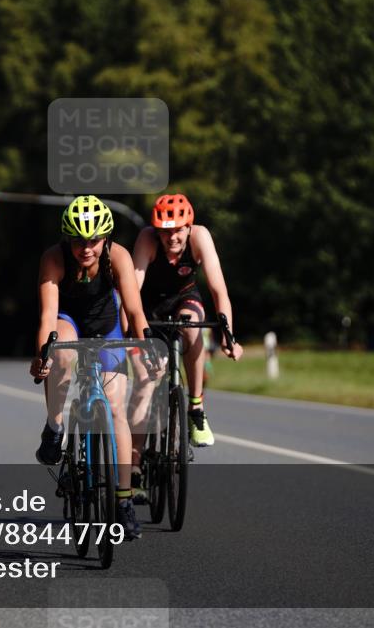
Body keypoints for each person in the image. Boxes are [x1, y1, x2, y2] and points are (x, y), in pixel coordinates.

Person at [29, 195, 151, 539]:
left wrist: (146, 349)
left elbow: (136, 312)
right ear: (68, 239)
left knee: (116, 410)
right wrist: (43, 355)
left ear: (106, 238)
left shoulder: (119, 256)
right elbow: (47, 317)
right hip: (68, 321)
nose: (87, 248)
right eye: (79, 240)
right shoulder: (54, 258)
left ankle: (123, 501)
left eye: (94, 241)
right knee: (62, 355)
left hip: (106, 325)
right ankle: (54, 428)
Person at [127, 193, 243, 472]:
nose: (172, 238)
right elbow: (132, 290)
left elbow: (218, 290)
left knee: (192, 329)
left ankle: (196, 406)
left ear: (189, 226)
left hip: (184, 299)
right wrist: (131, 335)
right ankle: (133, 467)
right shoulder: (147, 239)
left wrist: (229, 336)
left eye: (178, 230)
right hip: (149, 307)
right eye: (165, 232)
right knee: (144, 383)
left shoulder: (200, 237)